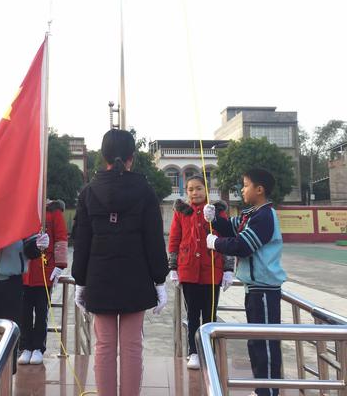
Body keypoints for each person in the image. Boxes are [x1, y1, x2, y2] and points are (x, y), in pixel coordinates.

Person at [72, 129, 169, 396]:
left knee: (103, 345)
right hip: (136, 278)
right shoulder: (145, 191)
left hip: (99, 278)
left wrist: (80, 281)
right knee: (132, 346)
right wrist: (160, 280)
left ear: (102, 155)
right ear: (132, 157)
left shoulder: (89, 192)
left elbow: (81, 241)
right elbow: (153, 239)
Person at [203, 168, 287, 396]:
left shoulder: (264, 216)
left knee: (266, 343)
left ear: (259, 190)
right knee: (256, 341)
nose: (242, 189)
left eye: (246, 185)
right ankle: (262, 388)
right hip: (255, 288)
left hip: (265, 289)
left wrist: (215, 243)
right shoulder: (252, 214)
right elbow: (230, 226)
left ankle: (268, 391)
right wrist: (213, 219)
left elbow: (242, 245)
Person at [168, 175, 235, 370]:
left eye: (198, 188)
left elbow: (228, 238)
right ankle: (193, 352)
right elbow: (174, 240)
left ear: (206, 190)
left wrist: (229, 269)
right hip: (188, 271)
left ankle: (208, 351)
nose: (195, 192)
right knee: (192, 315)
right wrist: (173, 268)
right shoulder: (181, 212)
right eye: (190, 189)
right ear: (186, 192)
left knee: (209, 315)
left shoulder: (216, 211)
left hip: (212, 271)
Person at [0, 233, 49, 372]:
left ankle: (7, 376)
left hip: (12, 282)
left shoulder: (22, 218)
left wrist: (39, 245)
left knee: (10, 332)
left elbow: (30, 250)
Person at [18, 199, 68, 365]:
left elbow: (61, 238)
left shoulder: (53, 212)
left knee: (41, 312)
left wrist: (60, 265)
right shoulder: (23, 209)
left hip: (45, 271)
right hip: (23, 272)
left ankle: (38, 347)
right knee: (24, 312)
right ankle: (25, 346)